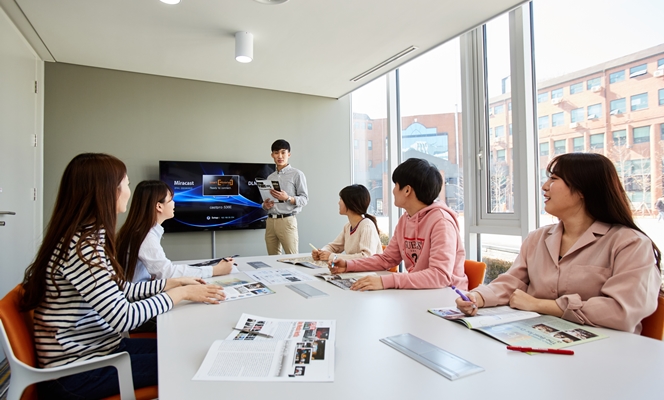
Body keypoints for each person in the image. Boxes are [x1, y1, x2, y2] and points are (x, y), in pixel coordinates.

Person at [20, 153, 225, 400]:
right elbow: (123, 317)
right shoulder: (82, 248)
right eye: (126, 183)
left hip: (101, 350)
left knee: (192, 349)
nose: (129, 190)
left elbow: (119, 290)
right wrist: (180, 293)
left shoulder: (84, 238)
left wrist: (172, 282)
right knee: (194, 362)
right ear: (108, 191)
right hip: (78, 373)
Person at [456, 153, 662, 334]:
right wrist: (477, 297)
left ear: (583, 189)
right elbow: (512, 283)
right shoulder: (537, 238)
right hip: (538, 338)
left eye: (554, 178)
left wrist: (541, 305)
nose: (545, 187)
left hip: (607, 353)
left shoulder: (631, 244)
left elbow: (621, 312)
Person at [328, 158, 467, 291]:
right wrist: (348, 265)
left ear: (407, 190)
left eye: (396, 185)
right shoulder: (404, 220)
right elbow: (387, 259)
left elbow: (439, 276)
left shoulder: (442, 222)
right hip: (420, 292)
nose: (393, 191)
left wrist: (385, 281)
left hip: (448, 298)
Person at [117, 180, 235, 282]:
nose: (174, 203)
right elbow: (167, 273)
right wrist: (215, 270)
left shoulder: (139, 231)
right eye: (171, 200)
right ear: (159, 206)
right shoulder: (145, 236)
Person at [311, 184, 383, 261]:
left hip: (372, 272)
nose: (338, 203)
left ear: (350, 203)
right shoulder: (348, 226)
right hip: (356, 271)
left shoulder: (367, 225)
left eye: (341, 199)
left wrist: (332, 256)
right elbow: (334, 246)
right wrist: (322, 252)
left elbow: (366, 257)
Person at [262, 139, 308, 255]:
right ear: (272, 155)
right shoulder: (270, 177)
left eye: (283, 152)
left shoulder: (297, 174)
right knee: (272, 258)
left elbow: (304, 199)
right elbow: (265, 201)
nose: (280, 156)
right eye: (276, 153)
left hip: (287, 221)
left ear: (289, 154)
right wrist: (265, 205)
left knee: (292, 258)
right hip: (270, 221)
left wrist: (288, 198)